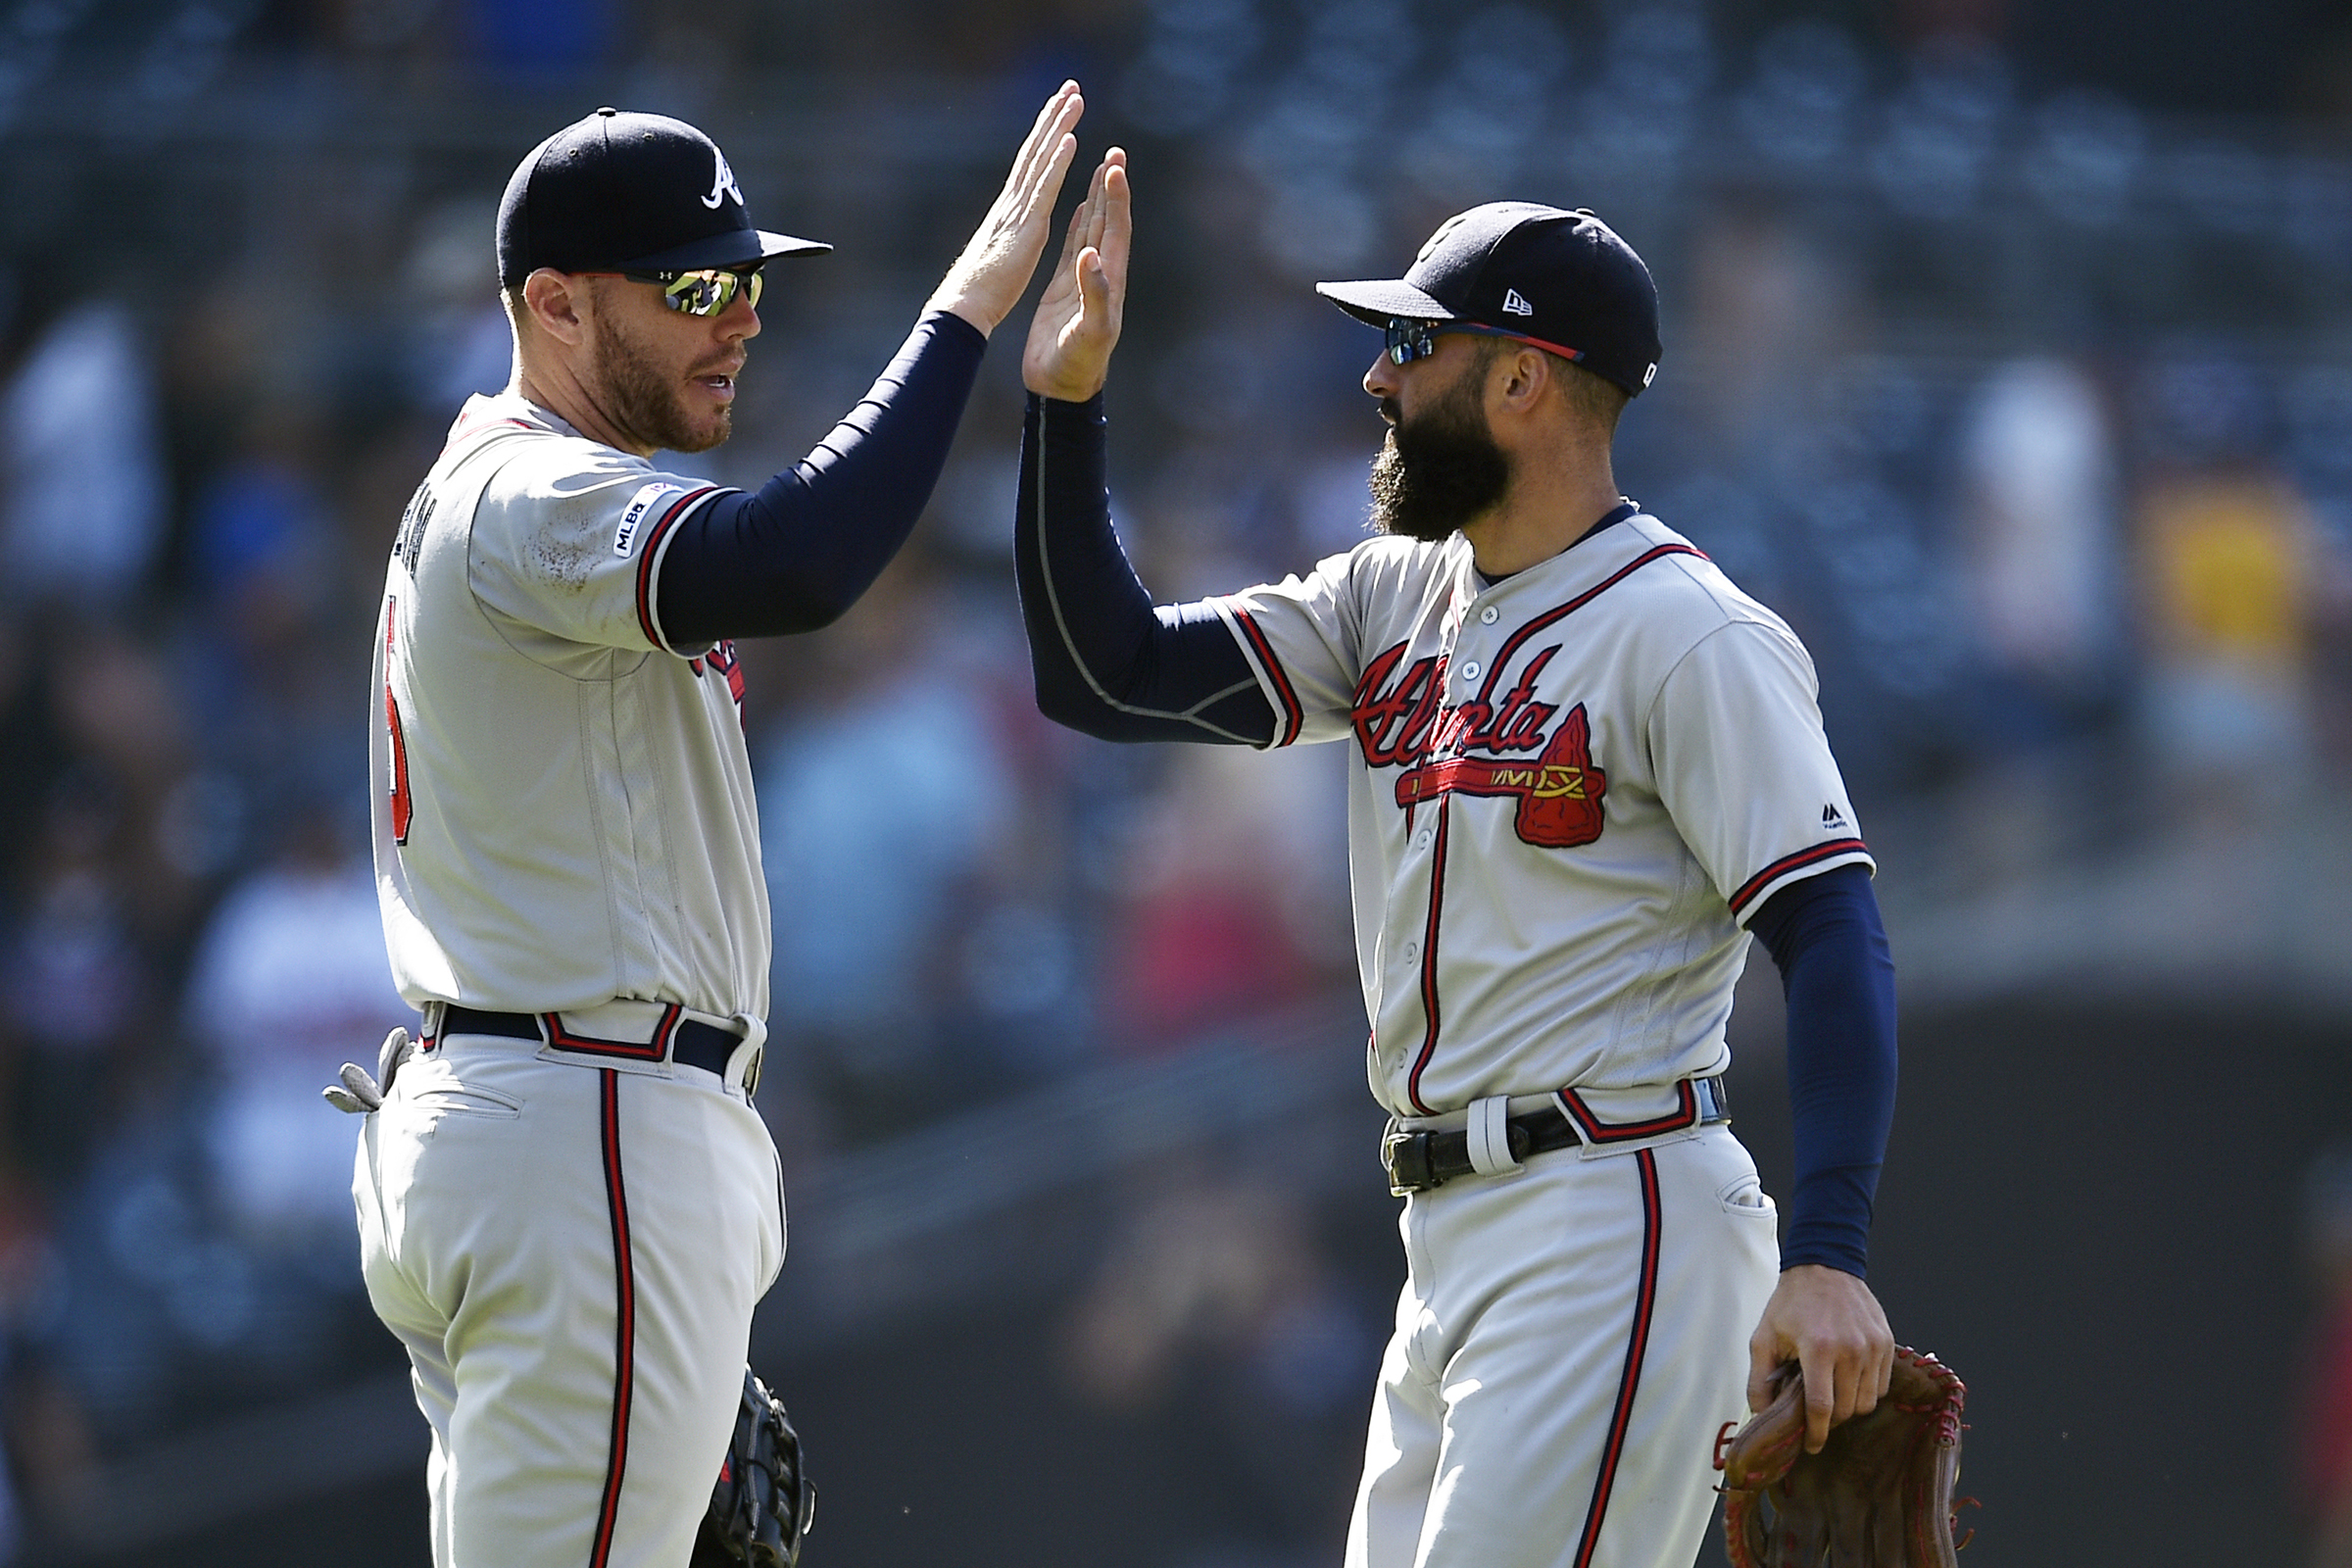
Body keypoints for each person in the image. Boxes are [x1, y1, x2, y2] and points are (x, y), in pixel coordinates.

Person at [1016, 158, 1901, 1568]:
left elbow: (1833, 930)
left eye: (1413, 343)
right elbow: (1104, 673)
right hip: (1449, 1239)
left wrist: (1832, 1250)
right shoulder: (1391, 595)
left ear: (1524, 382)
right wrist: (1065, 410)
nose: (1377, 379)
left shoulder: (1689, 634)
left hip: (1614, 1211)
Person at [346, 89, 1091, 1568]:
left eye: (746, 280)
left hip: (547, 1118)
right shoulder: (533, 488)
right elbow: (804, 560)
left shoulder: (509, 493)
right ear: (553, 304)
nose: (739, 318)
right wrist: (964, 314)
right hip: (587, 1122)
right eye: (695, 287)